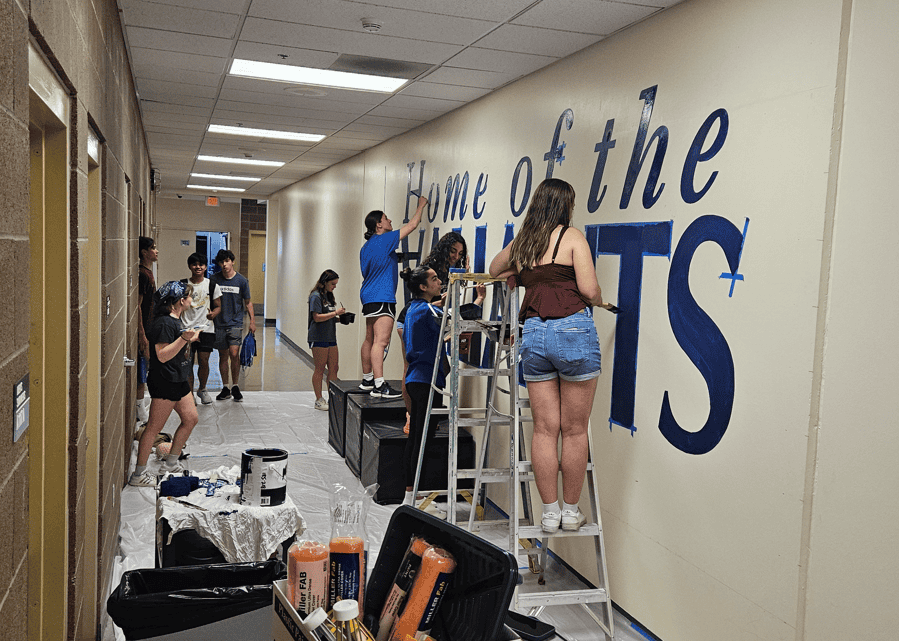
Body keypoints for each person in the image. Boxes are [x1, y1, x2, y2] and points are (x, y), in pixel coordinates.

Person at [489, 178, 615, 533]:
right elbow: (589, 290)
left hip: (535, 334)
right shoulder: (572, 237)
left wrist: (522, 270)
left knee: (544, 430)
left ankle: (548, 512)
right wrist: (595, 294)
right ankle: (571, 512)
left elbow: (494, 268)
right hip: (573, 331)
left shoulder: (525, 241)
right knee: (574, 431)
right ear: (565, 205)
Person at [129, 281, 200, 487]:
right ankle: (139, 475)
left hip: (178, 378)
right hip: (165, 381)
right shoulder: (163, 323)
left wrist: (189, 338)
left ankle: (170, 464)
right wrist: (184, 340)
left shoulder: (176, 321)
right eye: (188, 297)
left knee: (191, 418)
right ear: (180, 301)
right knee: (153, 428)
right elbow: (161, 355)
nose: (190, 300)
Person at [359, 195, 428, 399]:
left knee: (370, 338)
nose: (390, 221)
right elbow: (413, 224)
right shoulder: (385, 239)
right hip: (383, 295)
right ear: (379, 224)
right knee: (382, 341)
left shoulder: (367, 246)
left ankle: (368, 379)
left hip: (369, 294)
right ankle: (379, 385)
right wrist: (421, 205)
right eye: (386, 218)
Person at [399, 266, 446, 507]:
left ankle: (410, 493)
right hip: (427, 380)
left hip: (416, 379)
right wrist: (477, 300)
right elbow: (450, 325)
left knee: (416, 438)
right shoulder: (427, 311)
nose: (439, 281)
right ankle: (411, 496)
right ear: (423, 287)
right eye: (434, 279)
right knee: (421, 440)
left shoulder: (413, 309)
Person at [210, 249, 255, 402]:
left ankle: (235, 385)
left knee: (234, 354)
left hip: (235, 323)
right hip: (219, 324)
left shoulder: (242, 281)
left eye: (227, 261)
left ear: (232, 261)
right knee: (223, 355)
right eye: (221, 262)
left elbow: (248, 302)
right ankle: (225, 387)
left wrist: (252, 321)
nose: (224, 264)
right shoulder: (214, 280)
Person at [180, 253, 221, 404]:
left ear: (205, 267)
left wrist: (213, 314)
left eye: (201, 264)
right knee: (188, 362)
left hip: (206, 330)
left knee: (204, 361)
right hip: (186, 329)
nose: (198, 267)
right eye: (194, 264)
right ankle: (189, 394)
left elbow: (218, 306)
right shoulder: (183, 285)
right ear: (189, 266)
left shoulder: (212, 285)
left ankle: (202, 389)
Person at [308, 270, 345, 411]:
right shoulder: (315, 296)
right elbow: (317, 317)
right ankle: (318, 399)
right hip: (318, 337)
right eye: (333, 284)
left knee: (334, 368)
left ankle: (333, 397)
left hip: (330, 337)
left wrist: (340, 319)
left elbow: (327, 316)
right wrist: (335, 313)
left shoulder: (328, 296)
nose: (334, 286)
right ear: (324, 282)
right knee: (320, 368)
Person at [136, 236, 158, 425]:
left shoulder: (149, 273)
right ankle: (139, 407)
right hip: (145, 329)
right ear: (144, 252)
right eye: (153, 248)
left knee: (149, 363)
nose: (156, 251)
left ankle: (142, 402)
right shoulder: (142, 274)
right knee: (144, 365)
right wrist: (142, 333)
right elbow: (138, 306)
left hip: (151, 326)